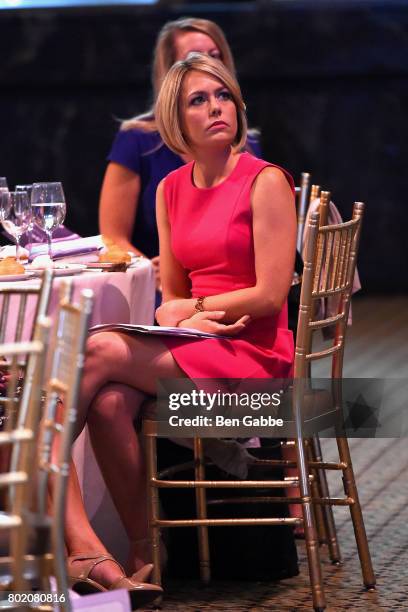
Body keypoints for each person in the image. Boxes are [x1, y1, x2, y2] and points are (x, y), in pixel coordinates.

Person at [64, 52, 296, 598]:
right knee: (107, 402)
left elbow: (268, 295)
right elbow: (171, 293)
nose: (217, 107)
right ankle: (144, 553)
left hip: (256, 364)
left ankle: (41, 480)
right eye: (199, 100)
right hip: (202, 347)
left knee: (97, 350)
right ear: (176, 121)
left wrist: (187, 311)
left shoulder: (266, 182)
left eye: (222, 95)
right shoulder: (169, 189)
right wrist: (185, 312)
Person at [98, 17, 260, 289]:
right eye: (195, 56)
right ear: (171, 72)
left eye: (215, 55)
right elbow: (112, 237)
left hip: (228, 293)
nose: (209, 64)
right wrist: (148, 272)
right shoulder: (138, 142)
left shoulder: (249, 149)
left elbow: (258, 253)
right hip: (155, 287)